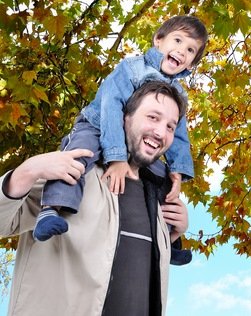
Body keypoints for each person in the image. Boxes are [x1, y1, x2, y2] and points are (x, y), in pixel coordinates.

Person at [0, 82, 189, 316]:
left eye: (171, 127)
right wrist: (26, 172)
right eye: (153, 117)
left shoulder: (157, 197)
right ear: (123, 117)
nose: (161, 133)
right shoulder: (73, 174)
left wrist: (172, 236)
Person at [33, 15, 208, 241]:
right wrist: (116, 158)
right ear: (158, 40)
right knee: (79, 155)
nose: (182, 51)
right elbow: (111, 107)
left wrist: (178, 169)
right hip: (97, 125)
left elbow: (179, 133)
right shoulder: (132, 69)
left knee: (162, 179)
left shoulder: (179, 94)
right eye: (177, 41)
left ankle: (169, 238)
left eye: (191, 50)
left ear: (192, 63)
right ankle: (51, 208)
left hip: (130, 143)